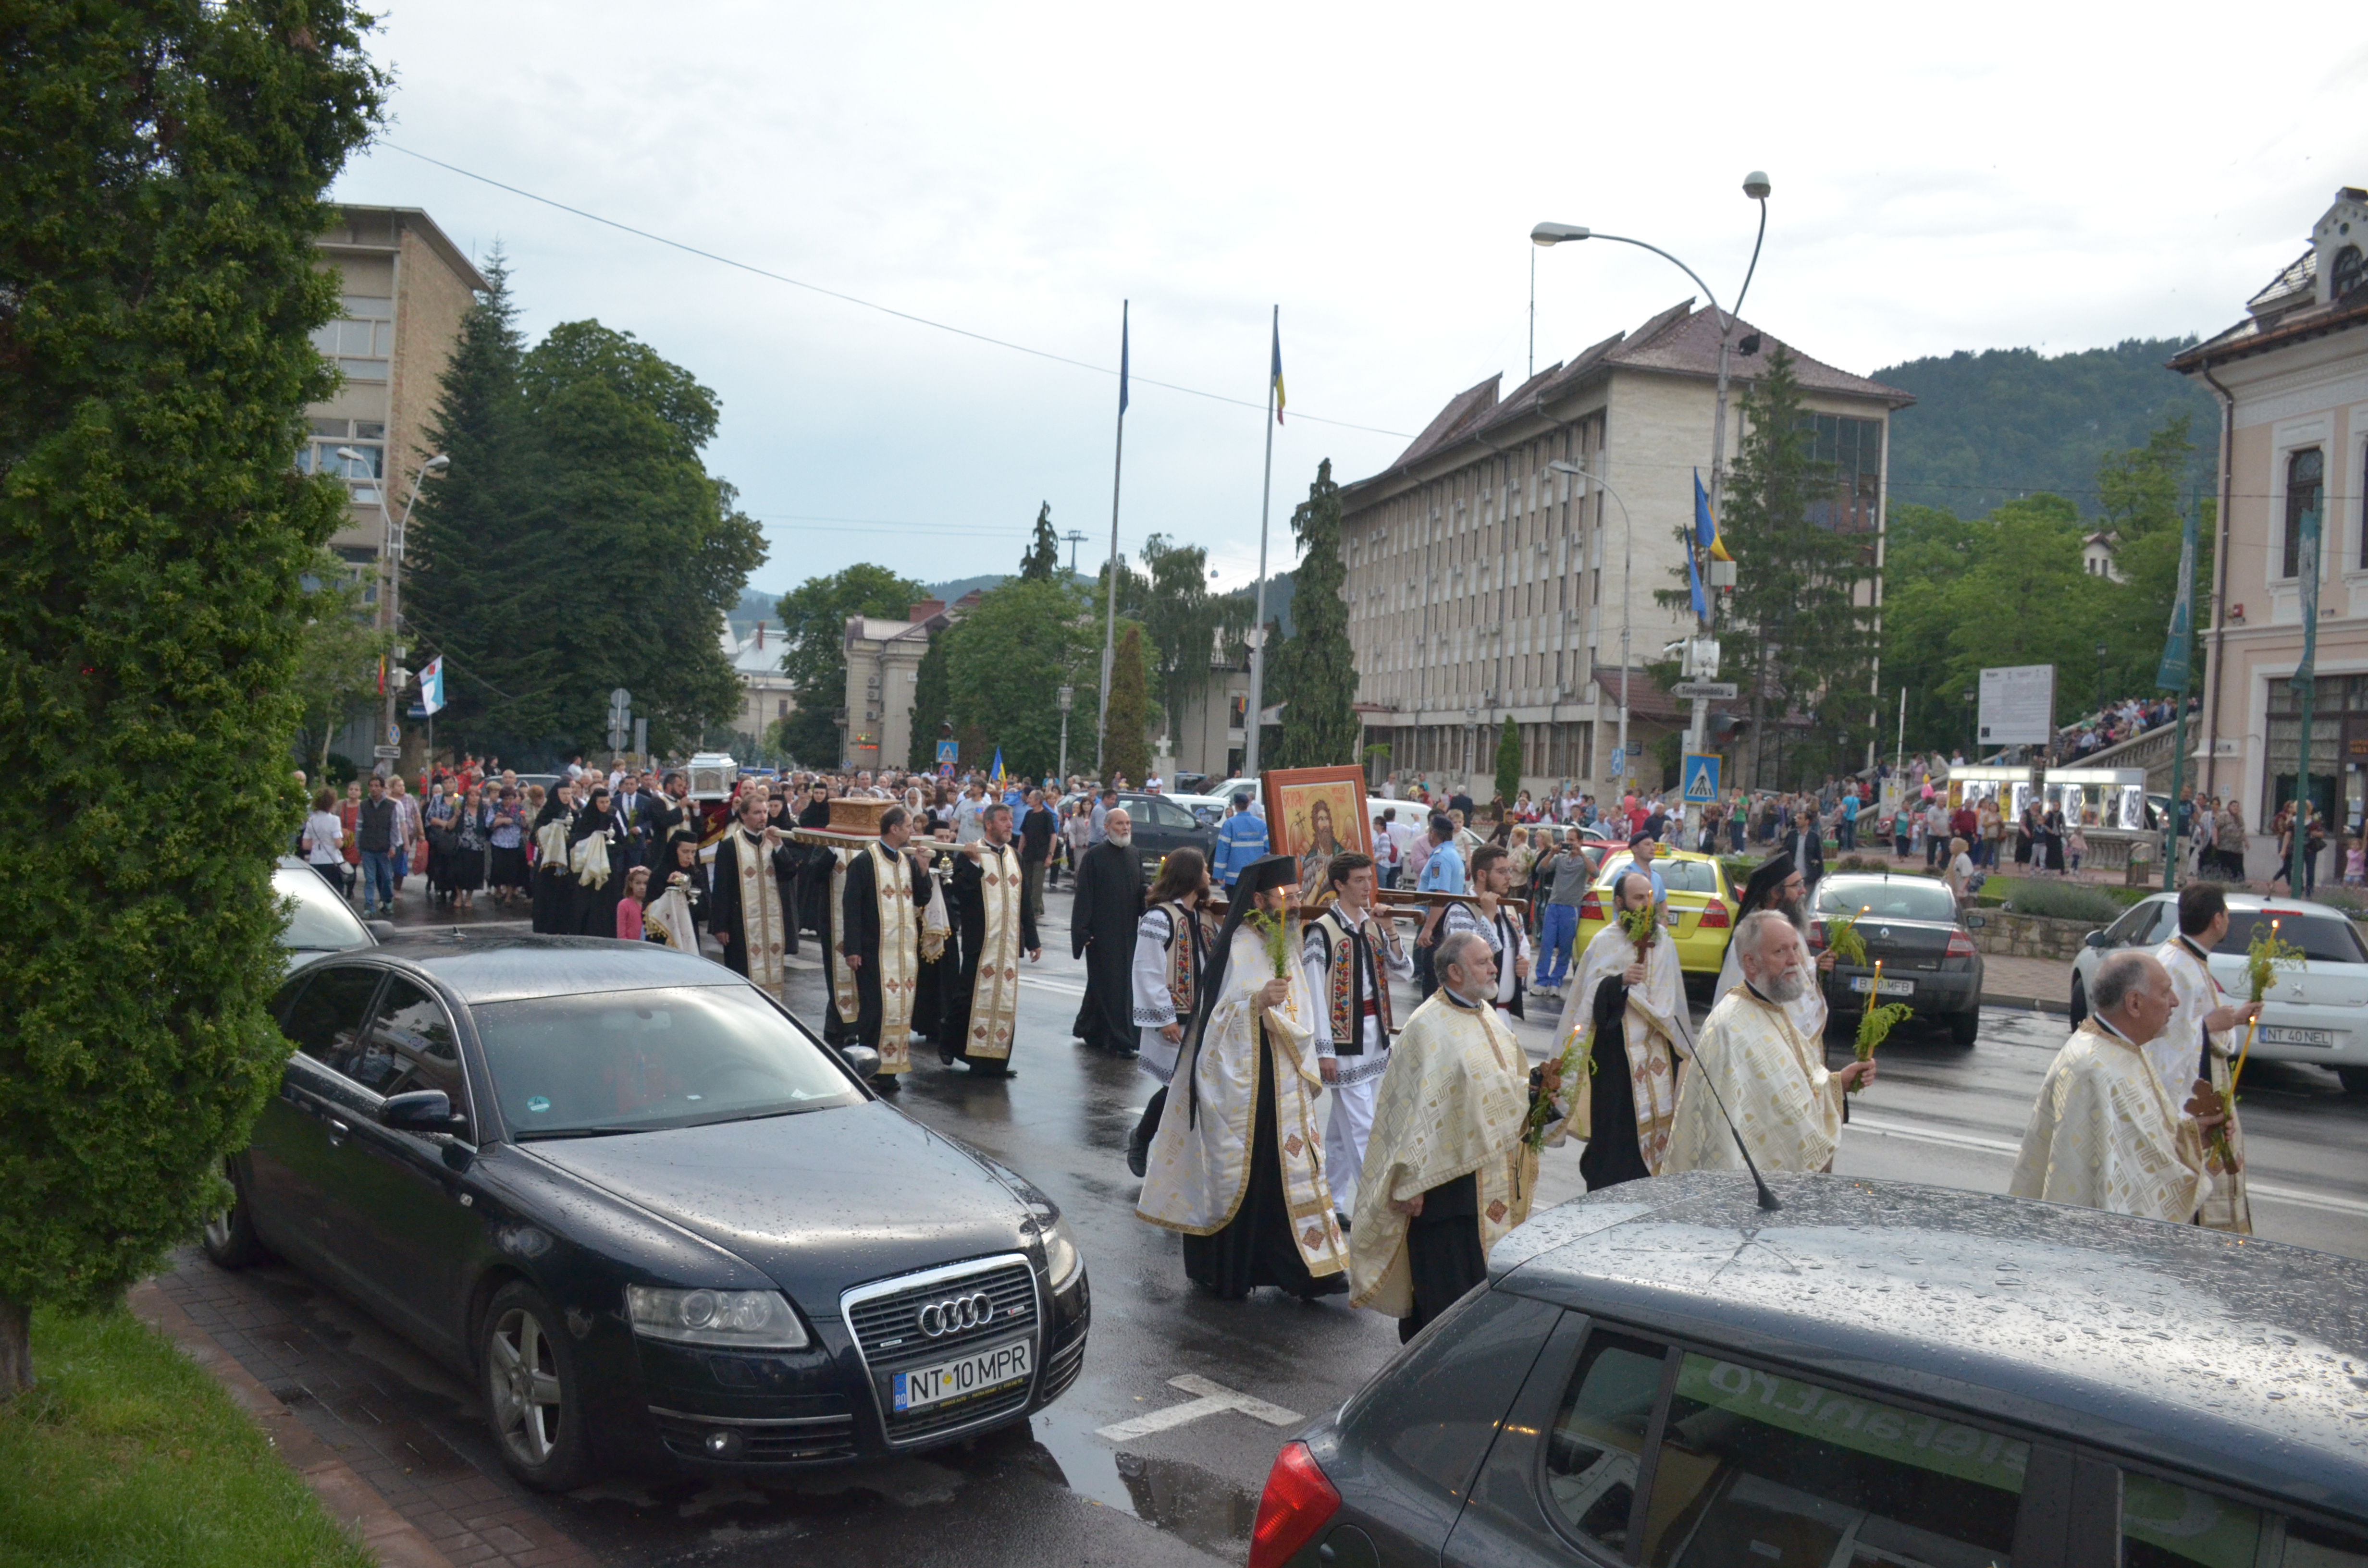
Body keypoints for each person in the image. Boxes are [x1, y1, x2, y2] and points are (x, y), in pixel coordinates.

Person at [1136, 854, 1349, 1302]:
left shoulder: (1287, 943)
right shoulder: (1235, 946)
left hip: (1284, 1082)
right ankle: (1230, 1269)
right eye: (1284, 896)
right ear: (1258, 899)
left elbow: (1304, 1010)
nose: (1294, 905)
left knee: (1291, 1173)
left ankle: (1305, 1269)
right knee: (1246, 1176)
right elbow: (1212, 1020)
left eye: (1296, 896)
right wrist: (1254, 1002)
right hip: (1242, 1086)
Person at [1348, 929, 1569, 1342]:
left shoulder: (1486, 1015)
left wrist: (1537, 1089)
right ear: (1453, 971)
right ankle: (1427, 1360)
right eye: (1483, 962)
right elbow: (1409, 1108)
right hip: (1441, 1188)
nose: (1493, 968)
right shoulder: (1426, 1026)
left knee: (1476, 1281)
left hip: (1486, 1180)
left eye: (1491, 960)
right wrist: (1408, 1181)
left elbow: (1500, 1084)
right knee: (1442, 1287)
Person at [2010, 951, 2228, 1222]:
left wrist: (2195, 1138)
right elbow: (2108, 1186)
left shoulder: (2122, 1049)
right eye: (2165, 992)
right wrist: (2199, 1172)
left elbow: (2136, 1145)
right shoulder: (2092, 1071)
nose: (2175, 1002)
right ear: (2134, 1003)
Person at [1665, 912, 1876, 1176]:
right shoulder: (1730, 1027)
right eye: (1780, 951)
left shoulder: (1772, 1008)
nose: (1794, 960)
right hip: (1747, 1189)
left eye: (1796, 948)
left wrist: (1839, 1082)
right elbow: (1724, 1135)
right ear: (1751, 963)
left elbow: (1798, 1086)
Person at [1562, 869, 1690, 1189]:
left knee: (1654, 1130)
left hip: (1657, 1054)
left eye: (1651, 898)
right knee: (1615, 1131)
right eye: (1638, 898)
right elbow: (1588, 998)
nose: (1647, 905)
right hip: (1615, 1058)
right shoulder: (1605, 941)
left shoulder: (1663, 943)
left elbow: (1672, 1001)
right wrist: (1618, 983)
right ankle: (1605, 1190)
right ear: (1620, 902)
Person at [1303, 851, 1412, 1221]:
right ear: (1339, 885)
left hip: (1373, 1035)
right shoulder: (1322, 932)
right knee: (1363, 1125)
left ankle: (1330, 1202)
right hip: (1343, 1041)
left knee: (1340, 1130)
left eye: (1370, 878)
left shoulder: (1372, 925)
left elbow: (1403, 971)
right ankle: (1380, 1206)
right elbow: (1315, 994)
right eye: (1360, 880)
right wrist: (1324, 1050)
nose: (1368, 887)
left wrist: (1392, 929)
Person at [2149, 884, 2260, 1232]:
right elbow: (2161, 1039)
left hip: (2206, 1089)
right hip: (2190, 1106)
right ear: (2217, 920)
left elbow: (2199, 1025)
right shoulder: (2176, 967)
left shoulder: (2191, 959)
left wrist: (2236, 1019)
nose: (2227, 920)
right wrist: (2207, 1027)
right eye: (2226, 914)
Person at [1127, 849, 1214, 1176]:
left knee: (1191, 1087)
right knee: (1178, 1086)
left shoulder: (1203, 916)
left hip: (1202, 1016)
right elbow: (1148, 970)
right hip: (1175, 1018)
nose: (1209, 875)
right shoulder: (1159, 917)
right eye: (1204, 869)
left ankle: (1177, 1156)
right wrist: (1164, 1017)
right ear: (1191, 875)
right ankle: (1142, 1138)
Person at [838, 804, 937, 1092]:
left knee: (900, 1011)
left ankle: (889, 1072)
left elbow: (921, 898)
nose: (912, 832)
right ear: (893, 829)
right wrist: (852, 949)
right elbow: (852, 907)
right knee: (875, 1012)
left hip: (903, 954)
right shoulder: (866, 861)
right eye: (908, 827)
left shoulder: (905, 860)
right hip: (874, 952)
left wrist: (922, 869)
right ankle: (867, 1070)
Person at [939, 802, 1041, 1078]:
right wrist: (972, 863)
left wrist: (1033, 940)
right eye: (1004, 820)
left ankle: (995, 1061)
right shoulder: (972, 853)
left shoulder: (1015, 857)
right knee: (967, 999)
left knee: (1004, 1001)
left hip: (1007, 945)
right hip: (981, 943)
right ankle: (950, 1044)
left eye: (1011, 820)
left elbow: (1025, 903)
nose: (1010, 824)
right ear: (989, 825)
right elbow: (959, 892)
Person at [1715, 851, 1833, 1041]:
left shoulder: (1789, 925)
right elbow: (1740, 994)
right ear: (1775, 892)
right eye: (1796, 886)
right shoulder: (1751, 936)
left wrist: (1814, 965)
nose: (1803, 891)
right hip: (1763, 1036)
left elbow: (1793, 969)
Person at [1070, 806, 1146, 1054]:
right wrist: (1082, 931)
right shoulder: (1095, 856)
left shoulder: (1134, 854)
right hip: (1102, 933)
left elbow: (1140, 888)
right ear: (1106, 827)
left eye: (1128, 824)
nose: (1125, 828)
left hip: (1129, 932)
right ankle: (1121, 1040)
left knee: (1107, 984)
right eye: (1119, 824)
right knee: (1113, 987)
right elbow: (1084, 896)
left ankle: (1091, 1029)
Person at [711, 788, 801, 996]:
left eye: (765, 812)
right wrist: (720, 925)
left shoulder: (773, 841)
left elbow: (789, 873)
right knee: (743, 976)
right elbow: (722, 887)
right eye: (757, 813)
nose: (763, 817)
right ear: (744, 815)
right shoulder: (730, 845)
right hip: (741, 923)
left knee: (772, 974)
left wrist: (779, 845)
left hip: (771, 922)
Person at [1439, 844, 1531, 1024]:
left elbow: (1523, 948)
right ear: (1482, 875)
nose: (1509, 877)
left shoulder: (1510, 909)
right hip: (1468, 1014)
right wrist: (1488, 916)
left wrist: (1524, 966)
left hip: (1503, 1015)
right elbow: (1468, 957)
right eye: (1502, 872)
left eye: (1509, 871)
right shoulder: (1461, 909)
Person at [569, 784, 623, 937]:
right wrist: (594, 840)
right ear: (595, 803)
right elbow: (576, 840)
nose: (605, 805)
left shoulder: (613, 818)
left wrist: (611, 847)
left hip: (608, 866)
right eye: (602, 802)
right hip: (589, 867)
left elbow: (622, 841)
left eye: (607, 802)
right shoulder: (586, 819)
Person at [644, 836, 708, 952]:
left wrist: (687, 886)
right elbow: (648, 909)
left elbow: (706, 909)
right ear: (674, 851)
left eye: (693, 852)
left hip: (689, 933)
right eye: (685, 852)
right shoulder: (659, 874)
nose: (690, 857)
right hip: (662, 938)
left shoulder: (696, 874)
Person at [354, 774, 398, 917]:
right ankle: (369, 906)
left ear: (382, 788)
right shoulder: (364, 805)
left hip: (384, 848)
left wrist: (393, 846)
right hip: (368, 847)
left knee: (386, 877)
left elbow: (394, 828)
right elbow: (359, 826)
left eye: (377, 786)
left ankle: (387, 900)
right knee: (370, 879)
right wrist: (358, 845)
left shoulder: (391, 806)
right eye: (371, 786)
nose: (374, 789)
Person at [1213, 791, 1268, 891]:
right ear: (1248, 805)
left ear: (1235, 806)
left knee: (1235, 906)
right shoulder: (1261, 824)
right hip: (1256, 878)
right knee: (1254, 906)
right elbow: (1268, 850)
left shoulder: (1229, 824)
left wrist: (1219, 874)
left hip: (1234, 880)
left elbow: (1223, 850)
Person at [1016, 787, 1056, 922]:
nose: (1028, 800)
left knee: (1037, 884)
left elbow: (1053, 836)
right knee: (1027, 882)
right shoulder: (1029, 814)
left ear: (1038, 801)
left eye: (1031, 798)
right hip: (1028, 854)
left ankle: (1034, 911)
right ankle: (1037, 906)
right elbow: (1024, 835)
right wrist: (1019, 852)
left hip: (1041, 855)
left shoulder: (1046, 816)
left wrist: (1050, 855)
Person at [1295, 797, 1346, 901]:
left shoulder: (1341, 853)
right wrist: (1318, 884)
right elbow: (1306, 904)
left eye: (1327, 819)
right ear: (1315, 824)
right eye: (1321, 819)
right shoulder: (1311, 859)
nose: (1325, 824)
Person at [300, 789, 345, 894]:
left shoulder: (311, 820)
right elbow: (338, 844)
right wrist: (344, 841)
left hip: (315, 860)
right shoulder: (335, 820)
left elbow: (306, 845)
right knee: (335, 893)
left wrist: (317, 843)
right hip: (332, 861)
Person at [615, 866, 650, 940]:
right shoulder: (624, 905)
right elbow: (621, 934)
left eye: (646, 884)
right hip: (630, 949)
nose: (642, 887)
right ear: (631, 884)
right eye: (638, 883)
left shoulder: (652, 905)